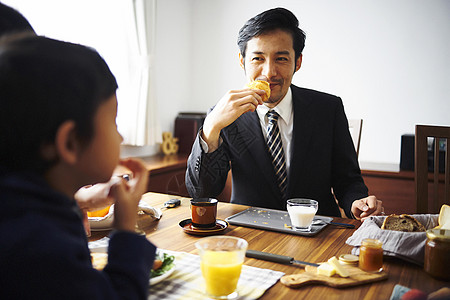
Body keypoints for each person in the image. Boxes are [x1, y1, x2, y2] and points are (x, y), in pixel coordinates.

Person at [185, 7, 383, 220]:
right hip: (251, 229)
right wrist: (211, 127)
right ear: (242, 61)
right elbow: (201, 193)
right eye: (258, 59)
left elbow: (348, 180)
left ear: (297, 62)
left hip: (316, 229)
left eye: (281, 59)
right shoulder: (225, 114)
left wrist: (357, 202)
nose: (269, 72)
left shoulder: (328, 108)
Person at [0, 35, 155, 299]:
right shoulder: (43, 249)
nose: (120, 138)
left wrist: (78, 200)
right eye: (113, 123)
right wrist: (126, 229)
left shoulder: (18, 209)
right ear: (70, 142)